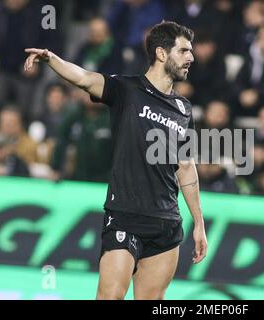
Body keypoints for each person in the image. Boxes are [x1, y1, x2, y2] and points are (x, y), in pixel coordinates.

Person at [24, 21, 207, 300]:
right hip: (124, 216)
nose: (190, 58)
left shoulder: (184, 109)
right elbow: (84, 78)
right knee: (110, 297)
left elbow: (185, 166)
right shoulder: (127, 90)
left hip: (167, 222)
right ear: (161, 53)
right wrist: (51, 58)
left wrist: (199, 223)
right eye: (183, 51)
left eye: (190, 51)